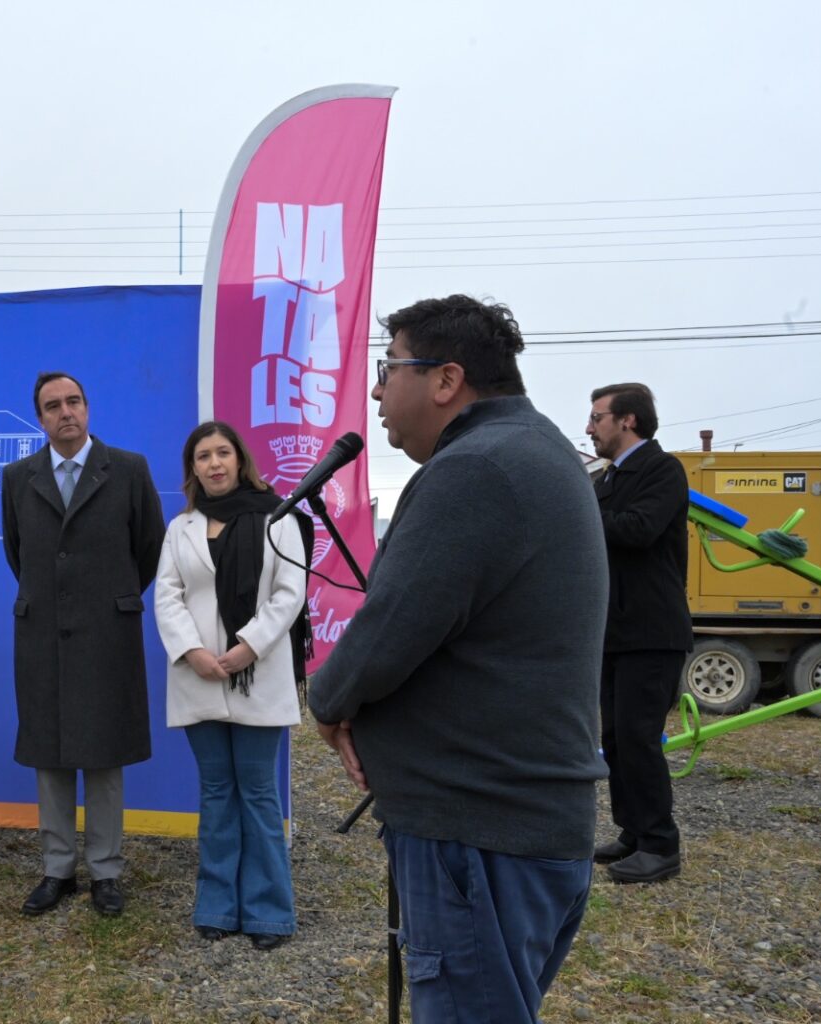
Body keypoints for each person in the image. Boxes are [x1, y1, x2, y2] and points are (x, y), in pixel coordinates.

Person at [308, 295, 607, 1023]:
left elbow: (385, 636)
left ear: (445, 379)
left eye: (388, 368)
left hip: (479, 835)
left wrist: (328, 701)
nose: (377, 390)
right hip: (518, 824)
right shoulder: (536, 452)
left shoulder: (474, 469)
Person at [1, 371, 165, 917]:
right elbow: (18, 552)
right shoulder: (17, 477)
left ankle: (106, 871)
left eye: (74, 402)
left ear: (88, 409)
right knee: (49, 753)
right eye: (53, 406)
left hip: (107, 632)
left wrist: (107, 600)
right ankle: (56, 869)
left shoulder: (128, 469)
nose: (65, 412)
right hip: (42, 631)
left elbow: (148, 549)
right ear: (40, 417)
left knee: (103, 753)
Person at [153, 421, 310, 950]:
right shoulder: (182, 527)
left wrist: (251, 644)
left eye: (223, 453)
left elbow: (290, 593)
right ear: (192, 468)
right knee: (217, 795)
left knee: (260, 794)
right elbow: (167, 596)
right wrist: (192, 651)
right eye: (203, 456)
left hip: (258, 675)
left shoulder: (278, 519)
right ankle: (217, 905)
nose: (214, 463)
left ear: (240, 460)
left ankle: (269, 913)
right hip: (198, 677)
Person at [586, 383, 691, 885]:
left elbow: (639, 528)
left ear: (627, 420)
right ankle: (632, 831)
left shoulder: (662, 470)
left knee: (639, 738)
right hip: (614, 631)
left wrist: (582, 513)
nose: (589, 428)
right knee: (615, 739)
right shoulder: (606, 480)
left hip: (652, 632)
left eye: (597, 417)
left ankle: (659, 845)